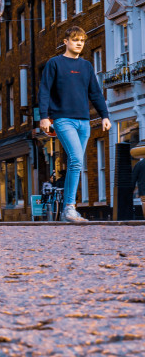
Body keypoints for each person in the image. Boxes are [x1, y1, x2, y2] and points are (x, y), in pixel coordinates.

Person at [36, 22, 111, 224]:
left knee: (75, 163)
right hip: (63, 119)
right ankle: (70, 208)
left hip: (84, 122)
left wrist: (104, 115)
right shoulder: (55, 63)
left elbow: (95, 92)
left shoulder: (86, 66)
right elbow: (44, 90)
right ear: (66, 42)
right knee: (76, 160)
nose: (79, 44)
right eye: (75, 40)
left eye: (82, 41)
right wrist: (44, 116)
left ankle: (68, 209)